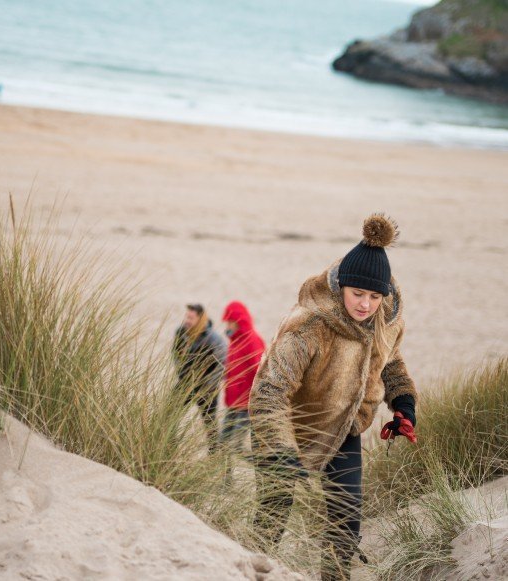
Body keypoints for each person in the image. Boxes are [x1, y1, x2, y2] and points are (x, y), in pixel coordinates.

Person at [249, 214, 418, 580]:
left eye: (374, 296)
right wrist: (279, 450)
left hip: (344, 429)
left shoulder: (384, 320)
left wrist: (403, 402)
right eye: (358, 294)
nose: (365, 305)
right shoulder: (308, 326)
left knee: (347, 515)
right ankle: (244, 572)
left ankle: (334, 576)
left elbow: (390, 361)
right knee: (273, 513)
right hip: (288, 426)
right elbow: (268, 392)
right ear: (342, 286)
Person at [172, 303, 227, 451]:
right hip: (185, 383)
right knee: (169, 414)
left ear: (200, 318)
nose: (187, 320)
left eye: (191, 317)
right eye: (186, 316)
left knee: (210, 423)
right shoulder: (180, 332)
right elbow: (176, 355)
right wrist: (182, 374)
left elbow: (221, 366)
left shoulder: (213, 339)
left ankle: (214, 454)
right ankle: (169, 445)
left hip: (207, 388)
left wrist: (207, 386)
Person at [220, 301, 265, 469]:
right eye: (227, 321)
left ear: (239, 321)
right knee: (222, 444)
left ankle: (264, 468)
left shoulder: (252, 340)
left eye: (230, 321)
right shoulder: (234, 341)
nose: (228, 325)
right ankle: (226, 484)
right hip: (232, 403)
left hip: (246, 405)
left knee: (236, 446)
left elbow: (258, 371)